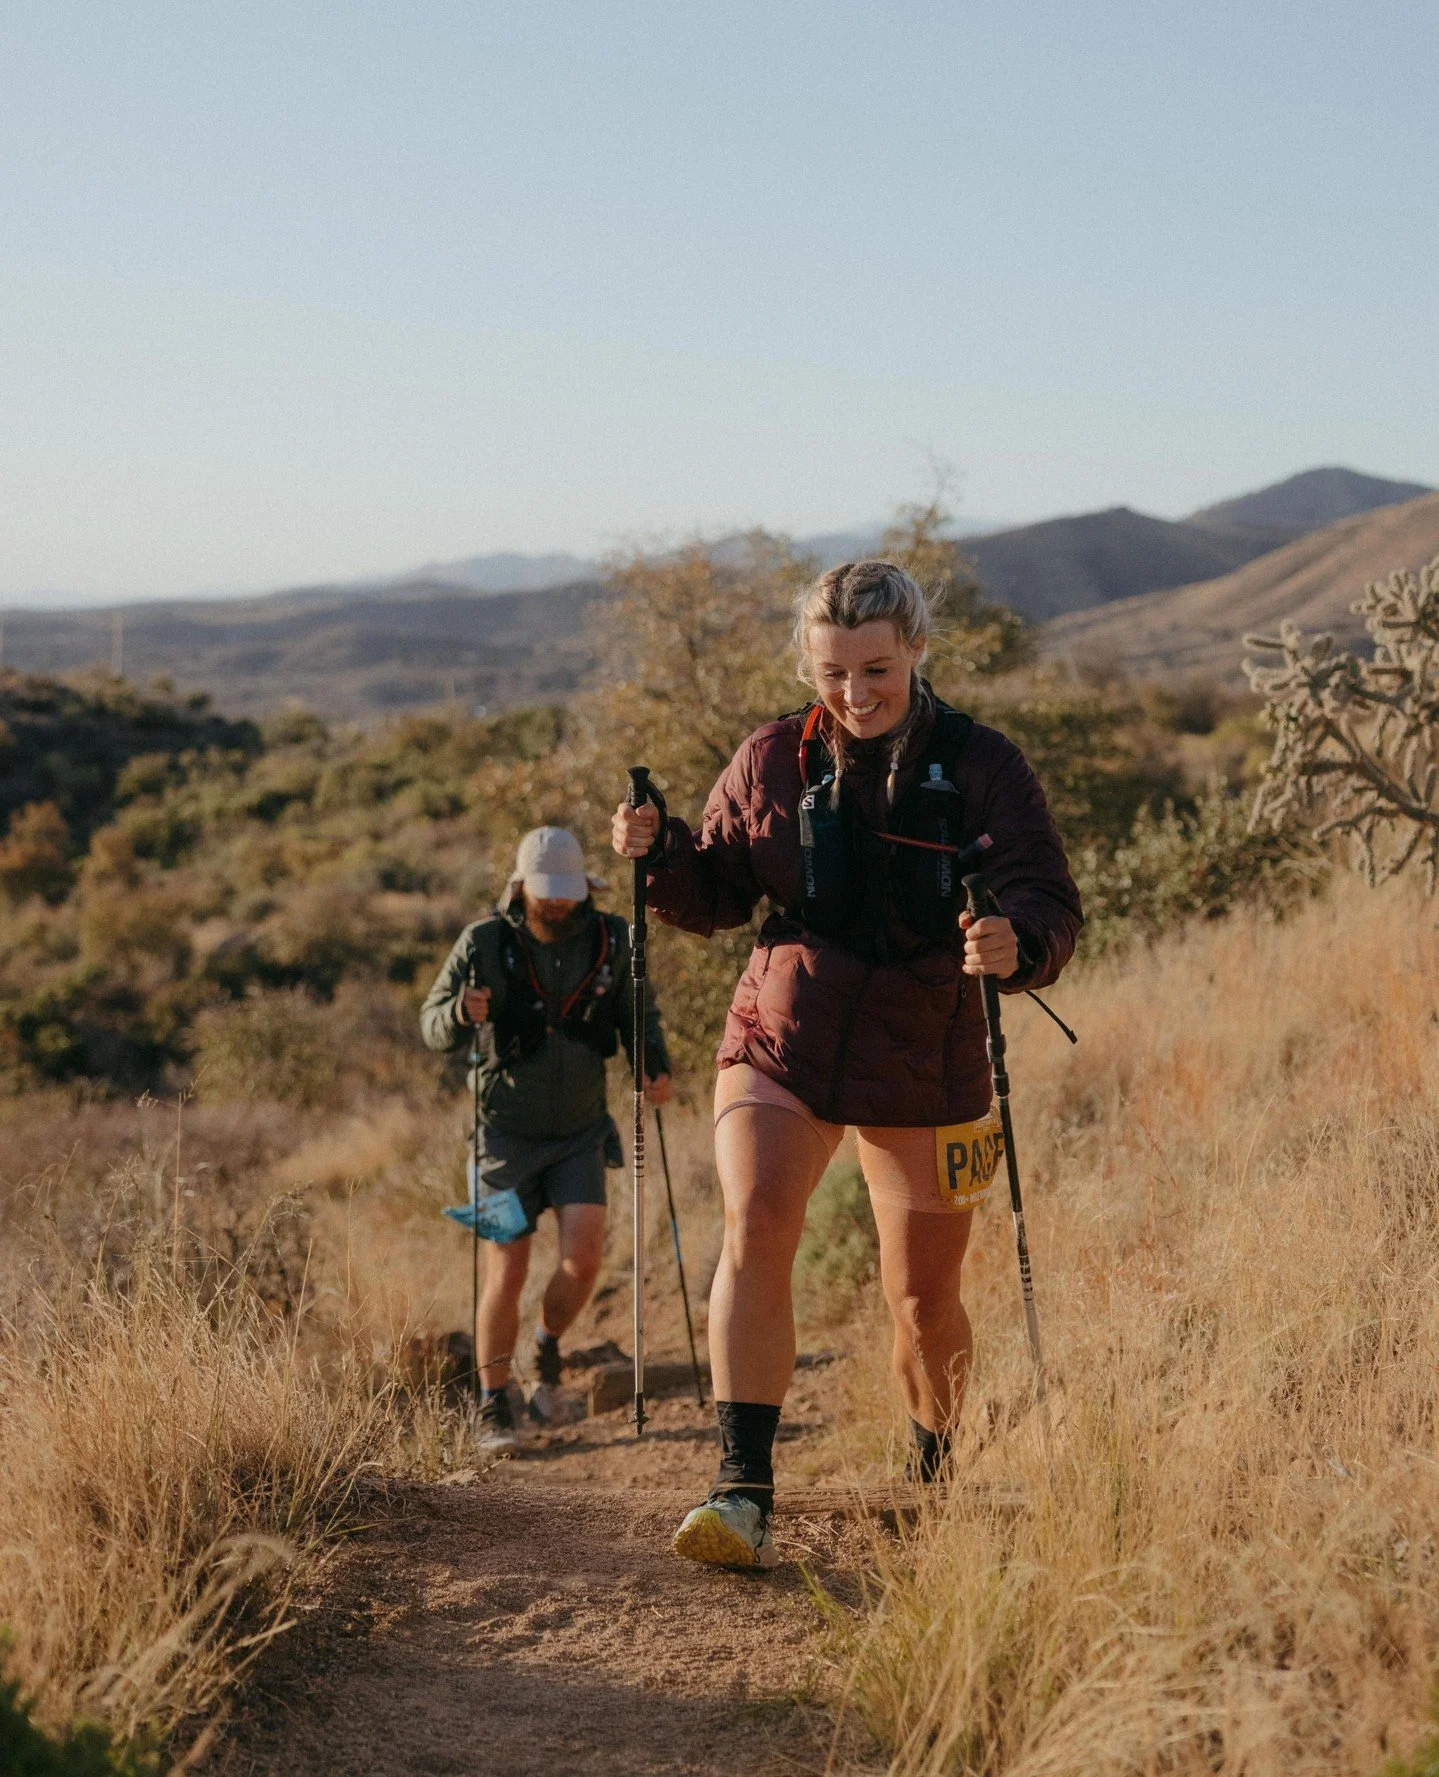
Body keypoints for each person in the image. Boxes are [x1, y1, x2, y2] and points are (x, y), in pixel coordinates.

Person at [612, 560, 1082, 1568]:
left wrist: (1015, 942)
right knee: (757, 1219)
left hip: (925, 1050)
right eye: (833, 672)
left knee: (922, 1297)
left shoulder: (983, 764)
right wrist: (659, 855)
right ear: (809, 663)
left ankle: (932, 1465)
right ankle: (740, 1490)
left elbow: (1043, 895)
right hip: (786, 1028)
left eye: (874, 668)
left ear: (914, 649)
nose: (855, 693)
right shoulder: (769, 757)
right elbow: (715, 894)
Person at [421, 825, 672, 1452]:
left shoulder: (613, 939)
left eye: (566, 893)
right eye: (546, 894)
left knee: (584, 1260)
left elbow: (639, 1013)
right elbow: (430, 1024)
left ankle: (547, 1347)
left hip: (581, 1131)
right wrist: (459, 1014)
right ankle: (492, 1406)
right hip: (502, 1138)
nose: (557, 905)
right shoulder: (482, 942)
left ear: (584, 887)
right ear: (522, 888)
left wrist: (653, 1061)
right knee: (506, 1270)